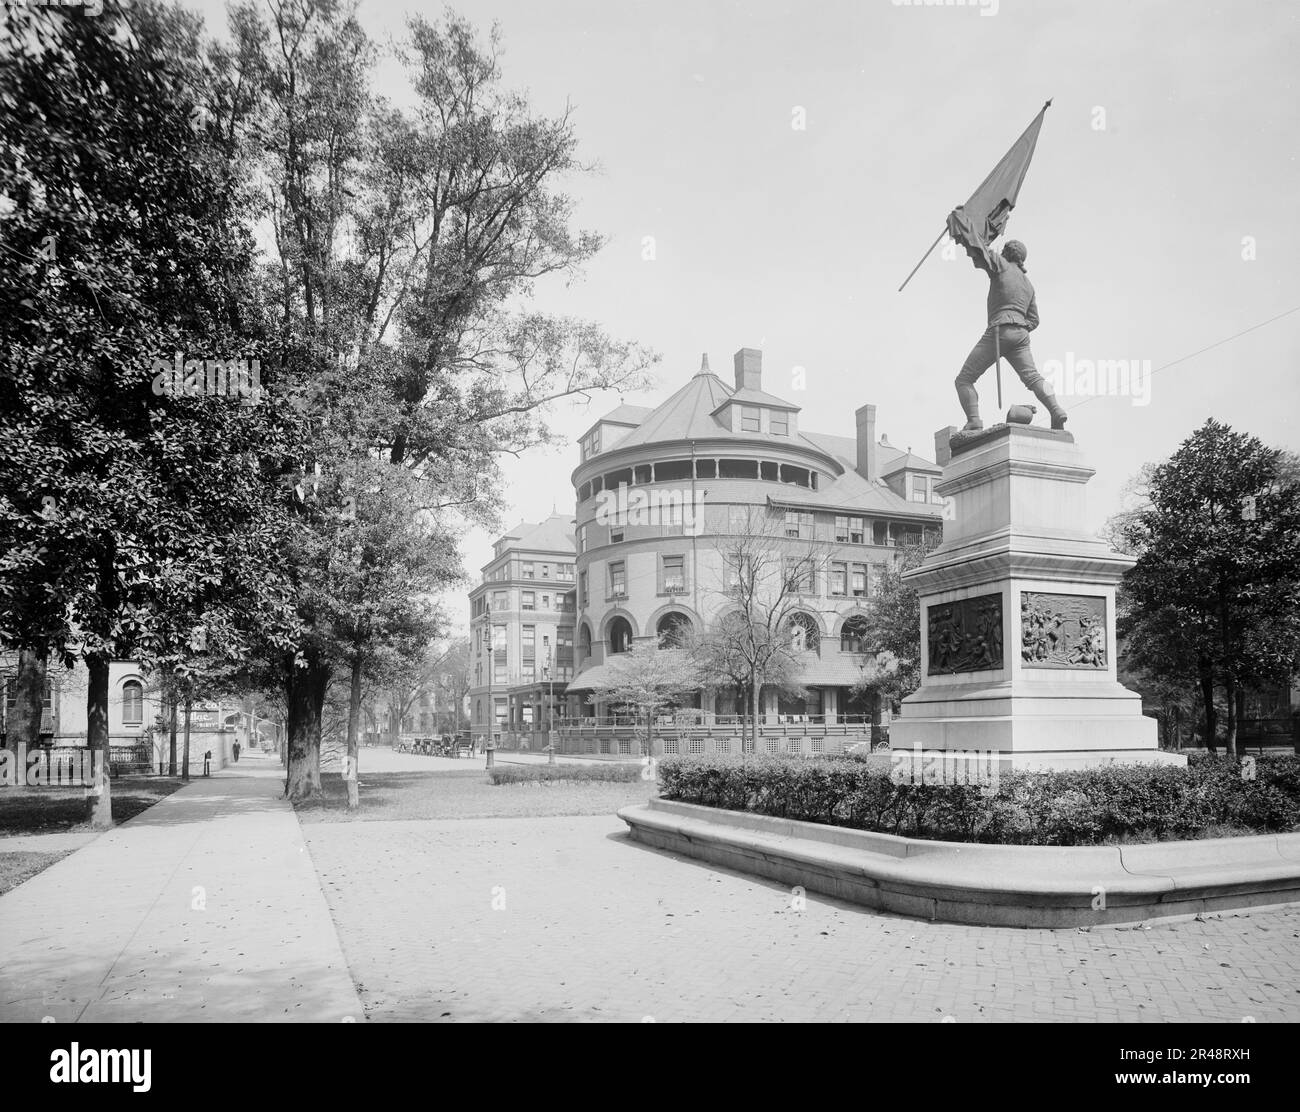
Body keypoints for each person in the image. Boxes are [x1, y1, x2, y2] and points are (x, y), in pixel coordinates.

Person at [954, 239, 1067, 432]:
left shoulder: (1002, 265)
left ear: (1007, 252)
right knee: (1034, 378)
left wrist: (966, 224)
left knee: (964, 379)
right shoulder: (1028, 285)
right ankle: (1056, 409)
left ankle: (974, 420)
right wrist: (1020, 325)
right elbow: (1034, 319)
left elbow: (981, 249)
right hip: (1021, 336)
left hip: (999, 330)